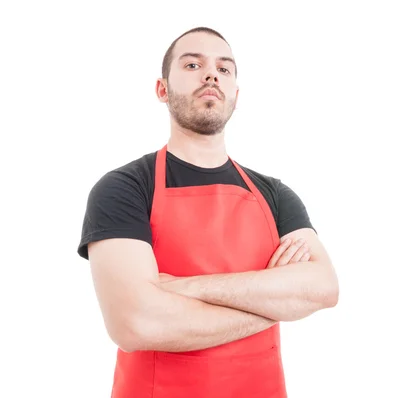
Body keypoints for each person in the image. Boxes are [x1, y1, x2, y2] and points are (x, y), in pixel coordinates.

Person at [76, 26, 339, 398]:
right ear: (162, 89)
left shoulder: (276, 195)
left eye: (224, 68)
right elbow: (135, 322)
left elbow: (323, 288)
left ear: (235, 94)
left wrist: (183, 287)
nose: (211, 74)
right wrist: (276, 302)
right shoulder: (124, 188)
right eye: (192, 64)